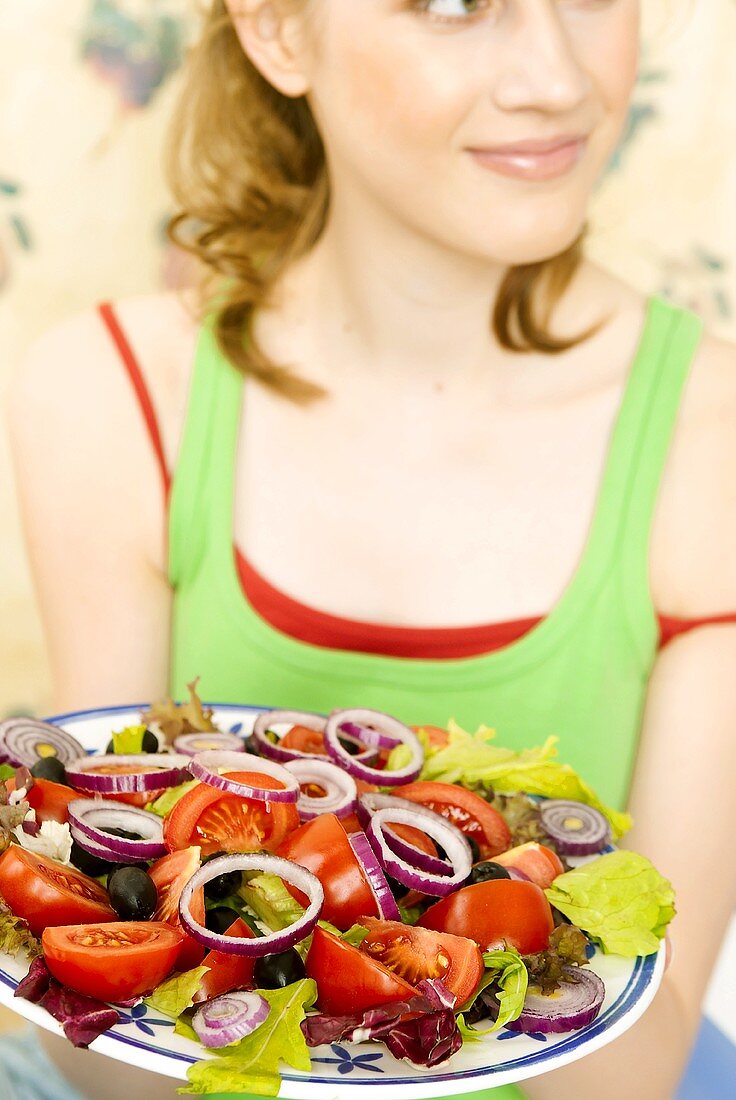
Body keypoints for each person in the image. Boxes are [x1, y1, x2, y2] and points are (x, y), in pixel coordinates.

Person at [5, 1, 736, 1099]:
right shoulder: (110, 394)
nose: (556, 78)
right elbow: (106, 987)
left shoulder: (709, 436)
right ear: (278, 32)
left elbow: (628, 1049)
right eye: (452, 4)